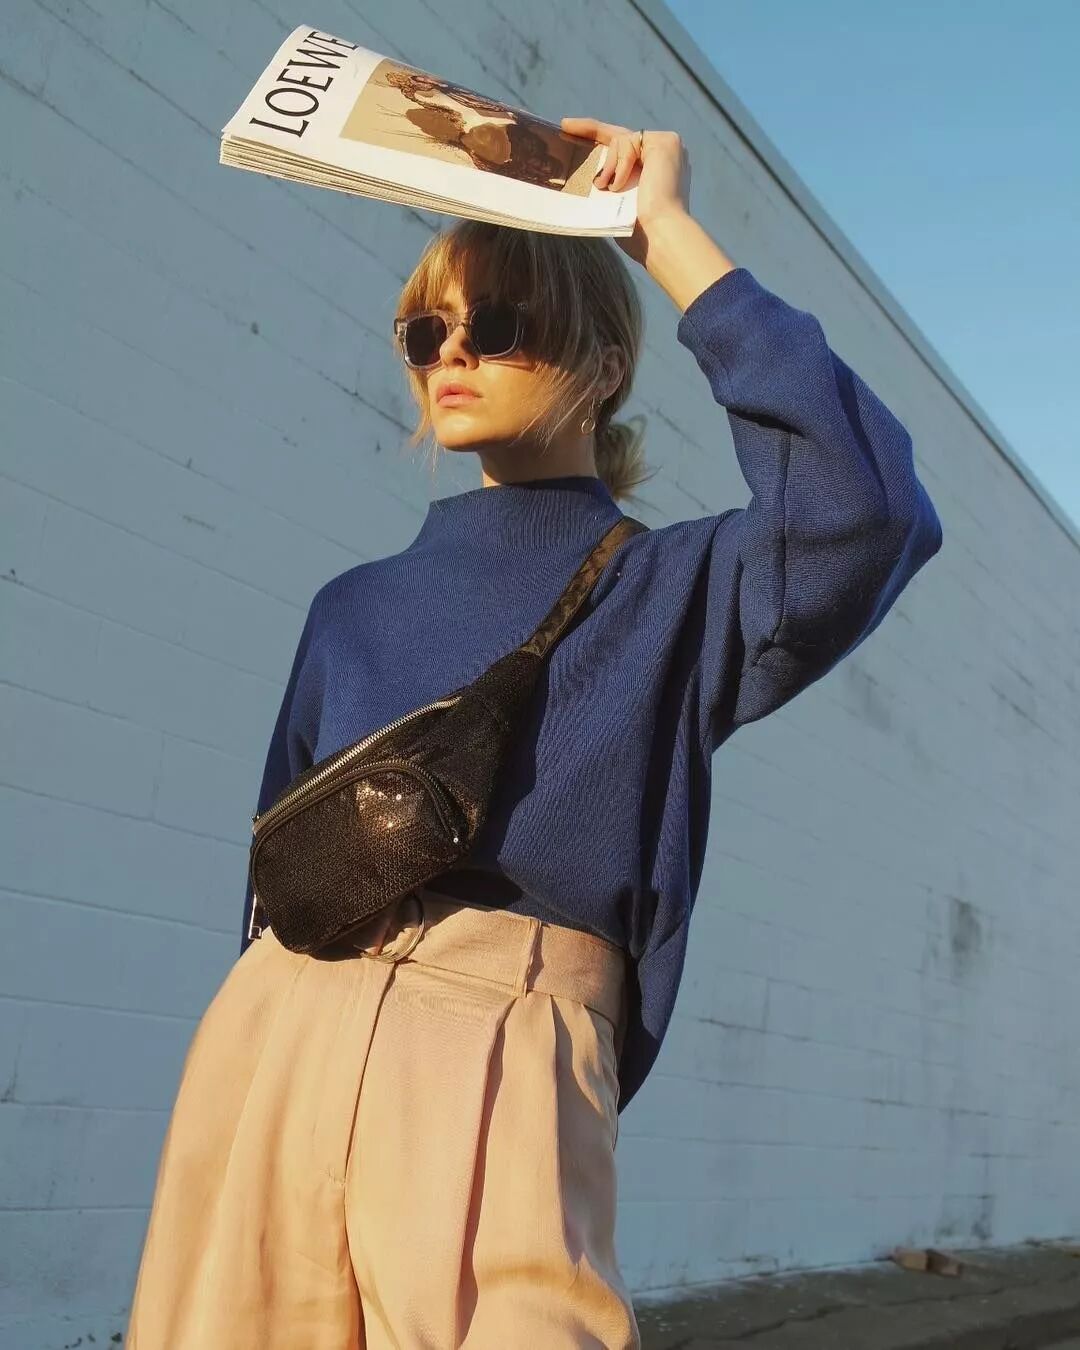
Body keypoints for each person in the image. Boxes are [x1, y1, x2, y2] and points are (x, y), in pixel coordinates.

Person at [125, 119, 943, 1348]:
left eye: (498, 322)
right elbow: (271, 874)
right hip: (278, 1033)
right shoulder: (351, 609)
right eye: (426, 332)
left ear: (605, 363)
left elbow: (865, 510)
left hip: (505, 1052)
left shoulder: (677, 590)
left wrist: (665, 235)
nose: (453, 351)